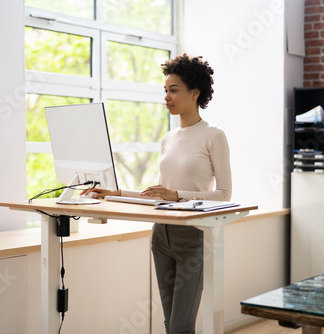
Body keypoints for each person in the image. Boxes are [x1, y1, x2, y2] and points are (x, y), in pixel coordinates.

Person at [82, 53, 232, 334]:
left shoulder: (214, 135)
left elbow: (224, 195)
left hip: (193, 237)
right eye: (165, 90)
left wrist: (177, 195)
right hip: (161, 235)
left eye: (174, 90)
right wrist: (113, 193)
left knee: (179, 327)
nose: (167, 97)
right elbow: (158, 195)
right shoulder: (168, 138)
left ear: (195, 92)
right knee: (168, 324)